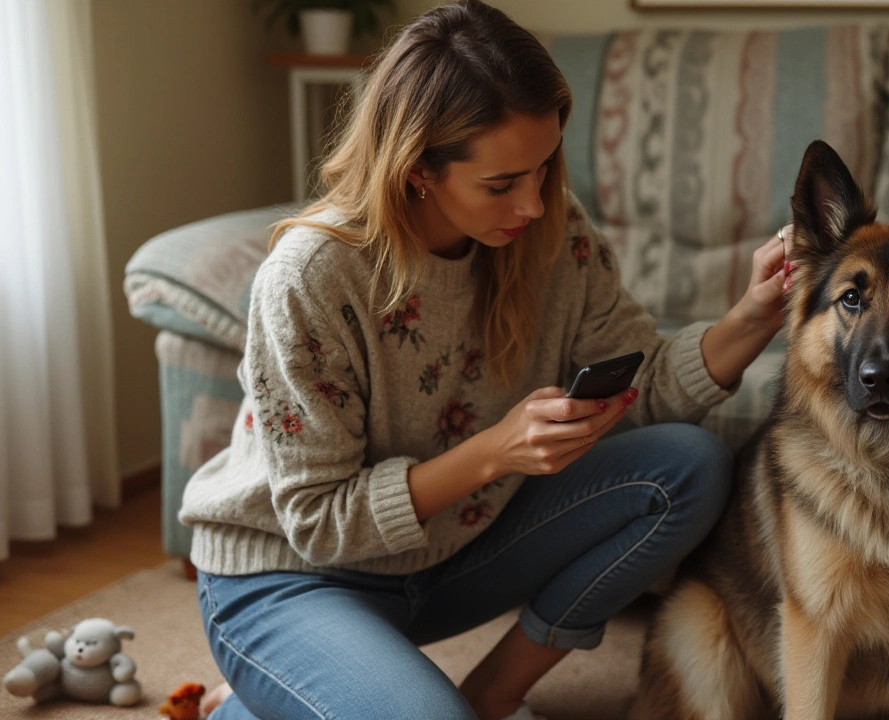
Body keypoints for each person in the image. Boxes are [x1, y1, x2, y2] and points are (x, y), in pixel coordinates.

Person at [180, 2, 789, 718]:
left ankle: (491, 694)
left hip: (443, 558)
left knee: (687, 466)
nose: (533, 203)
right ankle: (262, 685)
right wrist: (494, 453)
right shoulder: (312, 277)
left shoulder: (550, 229)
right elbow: (317, 521)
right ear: (418, 172)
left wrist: (754, 315)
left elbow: (646, 385)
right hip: (292, 575)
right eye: (502, 184)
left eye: (544, 168)